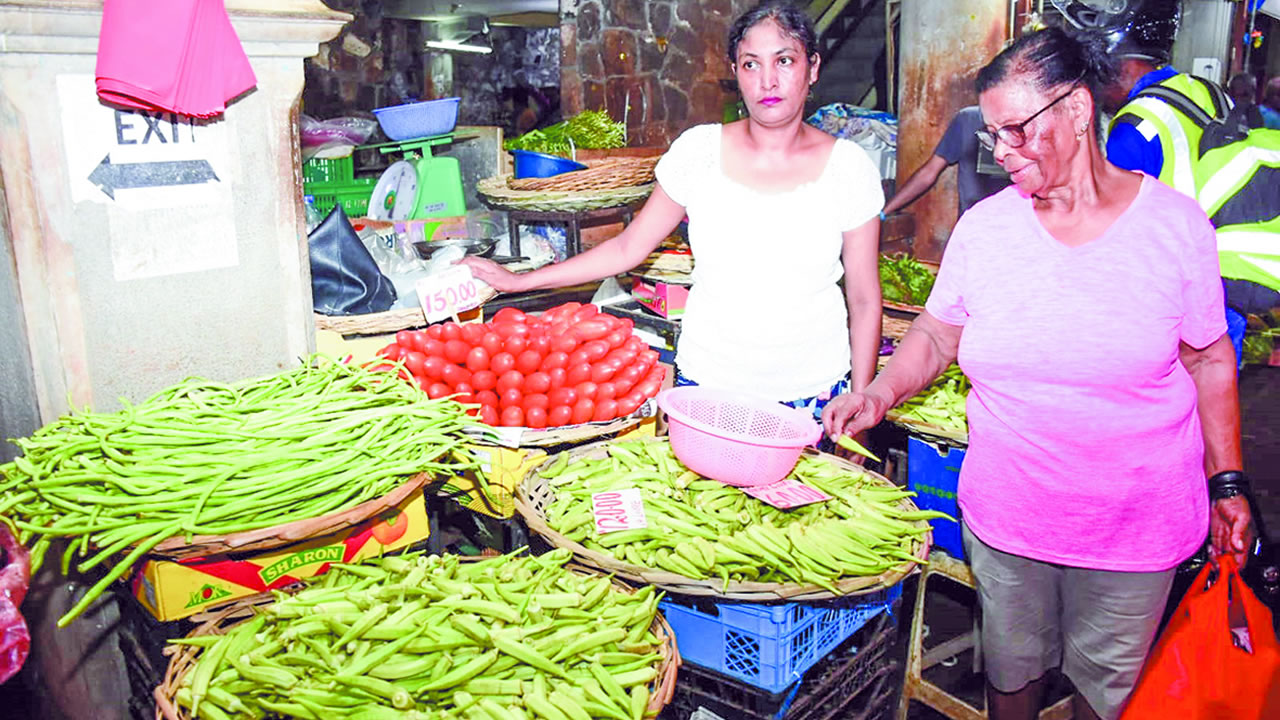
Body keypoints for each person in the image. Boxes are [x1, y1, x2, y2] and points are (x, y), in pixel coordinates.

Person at [823, 26, 1254, 720]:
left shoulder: (1175, 230)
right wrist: (879, 391)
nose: (1001, 152)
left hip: (1134, 525)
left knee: (1104, 691)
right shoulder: (988, 229)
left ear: (1079, 111)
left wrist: (1227, 481)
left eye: (1017, 130)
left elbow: (1208, 359)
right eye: (992, 135)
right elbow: (936, 332)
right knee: (1012, 676)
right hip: (1010, 517)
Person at [463, 0, 885, 421]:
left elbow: (865, 299)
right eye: (751, 64)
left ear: (812, 68)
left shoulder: (848, 168)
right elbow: (628, 247)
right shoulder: (698, 153)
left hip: (814, 394)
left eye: (785, 60)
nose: (768, 80)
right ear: (735, 73)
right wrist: (522, 282)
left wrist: (861, 405)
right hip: (710, 384)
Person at [1059, 0, 1280, 364]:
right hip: (1226, 286)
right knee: (1215, 396)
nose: (1095, 90)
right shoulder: (1207, 90)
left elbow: (1112, 237)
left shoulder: (1134, 127)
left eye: (1098, 75)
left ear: (1123, 65)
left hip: (1179, 299)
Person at [882, 105, 1010, 218]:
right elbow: (929, 172)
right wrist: (884, 212)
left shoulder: (1023, 124)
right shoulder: (968, 119)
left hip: (1014, 225)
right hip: (973, 225)